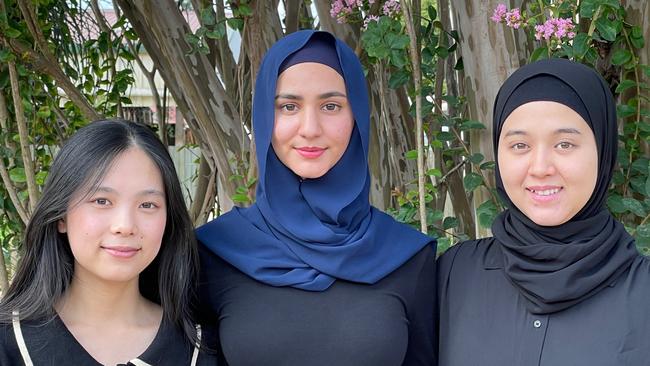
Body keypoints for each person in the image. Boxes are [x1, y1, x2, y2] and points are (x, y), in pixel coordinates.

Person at [196, 30, 437, 365]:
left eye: (331, 105)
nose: (310, 128)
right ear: (265, 117)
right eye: (289, 106)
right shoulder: (213, 251)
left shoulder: (408, 257)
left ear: (357, 118)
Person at [437, 58, 650, 365]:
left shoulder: (642, 292)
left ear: (603, 153)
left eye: (564, 144)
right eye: (520, 145)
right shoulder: (456, 274)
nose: (540, 168)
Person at [0, 120, 217, 365]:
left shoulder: (198, 348)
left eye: (147, 205)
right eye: (101, 201)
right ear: (61, 216)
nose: (124, 225)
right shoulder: (10, 342)